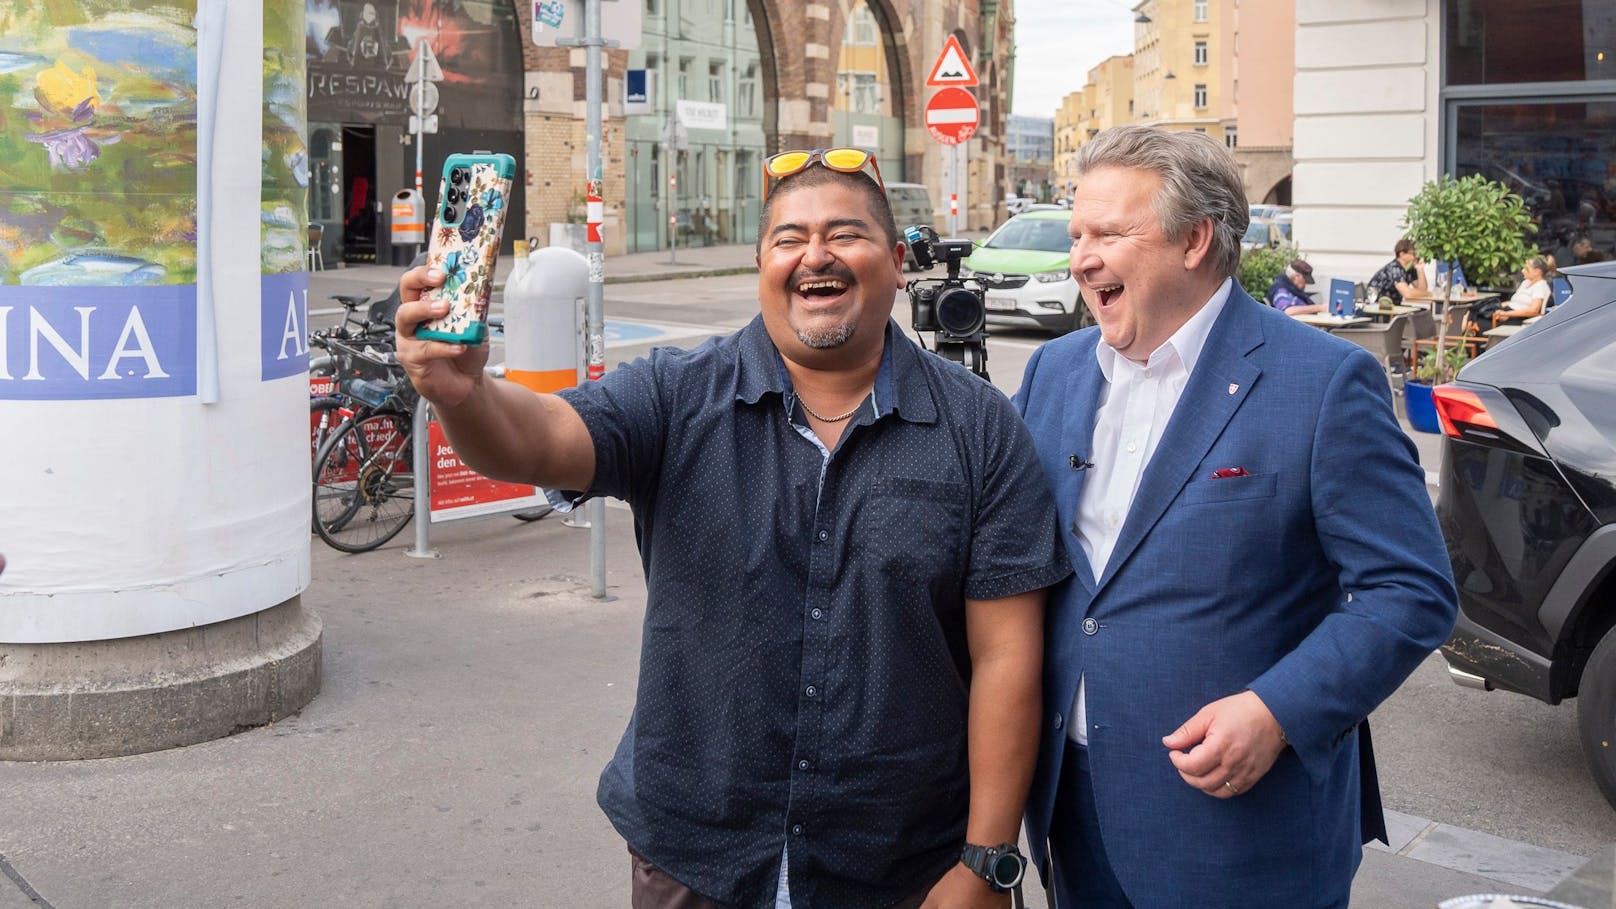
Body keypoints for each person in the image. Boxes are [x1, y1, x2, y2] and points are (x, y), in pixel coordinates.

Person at [394, 149, 1071, 908]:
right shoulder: (678, 394)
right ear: (761, 265)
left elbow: (1007, 653)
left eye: (844, 233)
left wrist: (985, 859)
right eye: (789, 239)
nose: (815, 254)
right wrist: (464, 396)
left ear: (897, 260)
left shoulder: (979, 427)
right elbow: (540, 437)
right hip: (698, 856)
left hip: (905, 864)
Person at [1011, 124, 1458, 908]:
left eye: (1108, 234)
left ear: (1194, 239)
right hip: (1073, 811)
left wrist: (1278, 709)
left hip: (1244, 835)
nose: (1081, 257)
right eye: (1078, 233)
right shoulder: (1054, 371)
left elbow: (1411, 590)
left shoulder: (1323, 383)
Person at [1473, 256, 1551, 328]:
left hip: (1519, 318)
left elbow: (1533, 310)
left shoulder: (1540, 286)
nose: (1522, 271)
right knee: (1475, 311)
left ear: (1537, 272)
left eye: (1526, 269)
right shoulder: (1526, 282)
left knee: (1480, 323)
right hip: (1508, 311)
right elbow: (1516, 302)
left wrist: (1507, 314)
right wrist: (1497, 307)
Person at [1365, 237, 1428, 304]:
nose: (1416, 256)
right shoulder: (1395, 268)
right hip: (1376, 308)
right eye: (1413, 253)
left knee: (1422, 312)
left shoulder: (1409, 268)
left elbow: (1422, 290)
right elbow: (1407, 294)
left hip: (1392, 307)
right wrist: (1430, 294)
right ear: (1402, 254)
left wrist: (1420, 269)